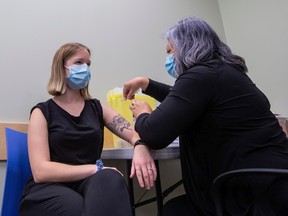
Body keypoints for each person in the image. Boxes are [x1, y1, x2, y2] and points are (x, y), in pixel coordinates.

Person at [123, 17, 288, 216]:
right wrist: (147, 83)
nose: (169, 57)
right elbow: (186, 102)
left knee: (172, 211)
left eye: (170, 50)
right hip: (269, 186)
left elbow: (154, 134)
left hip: (246, 195)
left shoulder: (200, 76)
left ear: (186, 47)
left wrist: (143, 114)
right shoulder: (223, 72)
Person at [19, 42, 157, 216]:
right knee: (80, 206)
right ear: (61, 69)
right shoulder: (42, 112)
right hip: (49, 188)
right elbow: (41, 172)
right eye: (79, 62)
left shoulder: (97, 108)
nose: (85, 67)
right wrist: (95, 169)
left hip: (89, 183)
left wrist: (139, 145)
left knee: (111, 179)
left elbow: (131, 132)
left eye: (88, 63)